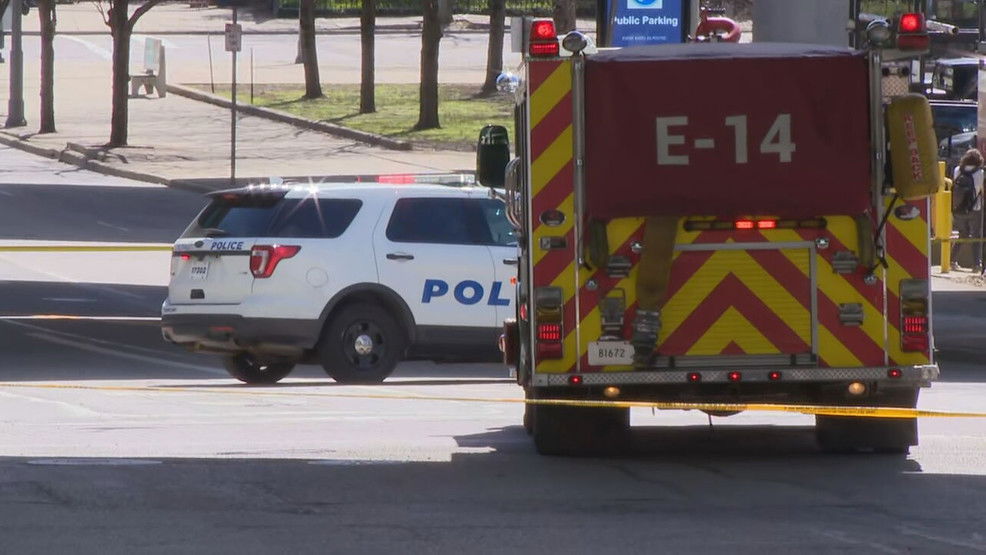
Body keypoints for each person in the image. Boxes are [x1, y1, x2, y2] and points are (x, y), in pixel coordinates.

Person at [950, 148, 985, 274]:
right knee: (976, 236)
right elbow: (981, 190)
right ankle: (976, 265)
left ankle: (951, 261)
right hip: (975, 209)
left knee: (962, 235)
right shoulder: (980, 173)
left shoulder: (957, 170)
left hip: (958, 209)